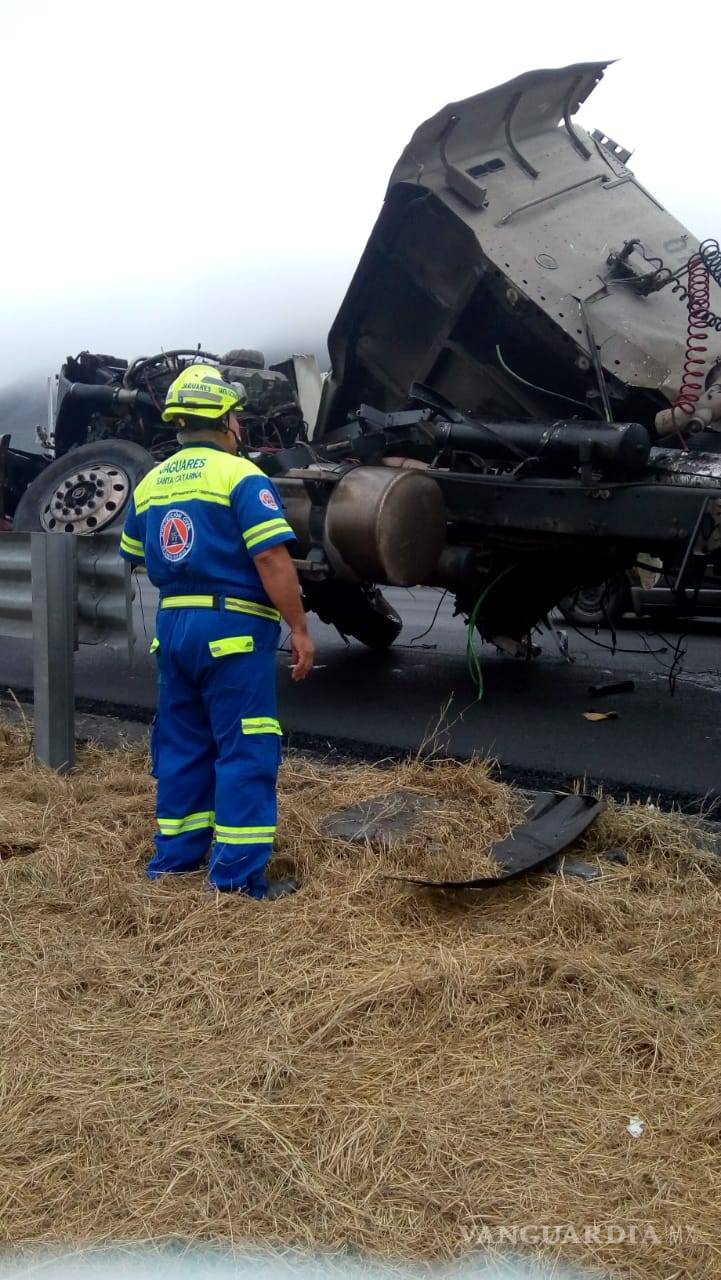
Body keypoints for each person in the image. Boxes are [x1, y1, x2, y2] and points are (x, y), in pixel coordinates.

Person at [119, 363, 314, 899]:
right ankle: (236, 878)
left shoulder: (151, 483)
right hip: (233, 627)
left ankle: (175, 860)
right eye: (237, 416)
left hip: (174, 624)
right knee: (245, 746)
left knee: (182, 744)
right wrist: (299, 627)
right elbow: (273, 558)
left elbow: (133, 555)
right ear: (227, 419)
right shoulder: (240, 476)